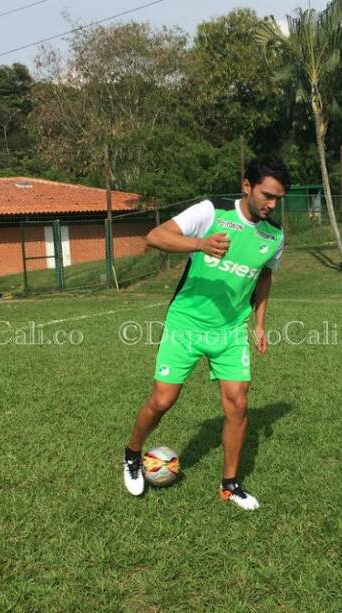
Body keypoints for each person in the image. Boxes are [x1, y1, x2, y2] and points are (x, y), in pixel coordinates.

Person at [122, 155, 288, 510]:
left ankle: (229, 485)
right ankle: (133, 454)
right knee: (162, 401)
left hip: (229, 331)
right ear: (247, 185)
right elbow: (154, 236)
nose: (271, 204)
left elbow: (265, 276)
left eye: (278, 199)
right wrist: (200, 243)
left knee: (239, 405)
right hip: (185, 324)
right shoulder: (211, 213)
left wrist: (259, 324)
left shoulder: (273, 236)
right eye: (267, 195)